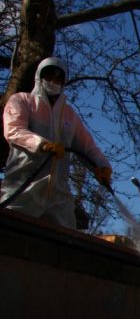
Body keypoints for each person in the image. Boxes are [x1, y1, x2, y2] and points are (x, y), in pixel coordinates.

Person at [2, 57, 112, 228]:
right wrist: (42, 144)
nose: (53, 82)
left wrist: (102, 165)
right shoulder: (22, 101)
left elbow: (87, 147)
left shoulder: (69, 115)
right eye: (49, 77)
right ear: (39, 77)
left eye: (58, 79)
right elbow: (13, 130)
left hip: (58, 194)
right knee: (11, 233)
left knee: (67, 240)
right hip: (23, 186)